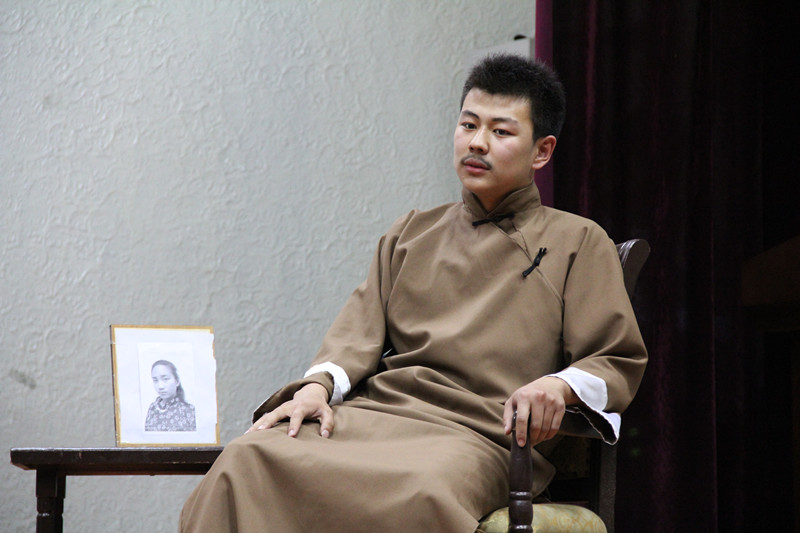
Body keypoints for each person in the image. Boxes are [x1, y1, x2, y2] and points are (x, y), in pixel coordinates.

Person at [179, 54, 647, 533]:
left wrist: (558, 386)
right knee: (246, 459)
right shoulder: (411, 233)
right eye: (468, 124)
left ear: (541, 152)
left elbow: (614, 358)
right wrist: (316, 389)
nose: (477, 142)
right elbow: (353, 339)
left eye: (501, 131)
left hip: (479, 436)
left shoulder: (578, 241)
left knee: (421, 491)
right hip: (375, 415)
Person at [145, 359, 196, 431]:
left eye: (165, 379)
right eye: (155, 380)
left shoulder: (188, 410)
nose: (160, 386)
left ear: (177, 381)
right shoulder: (152, 408)